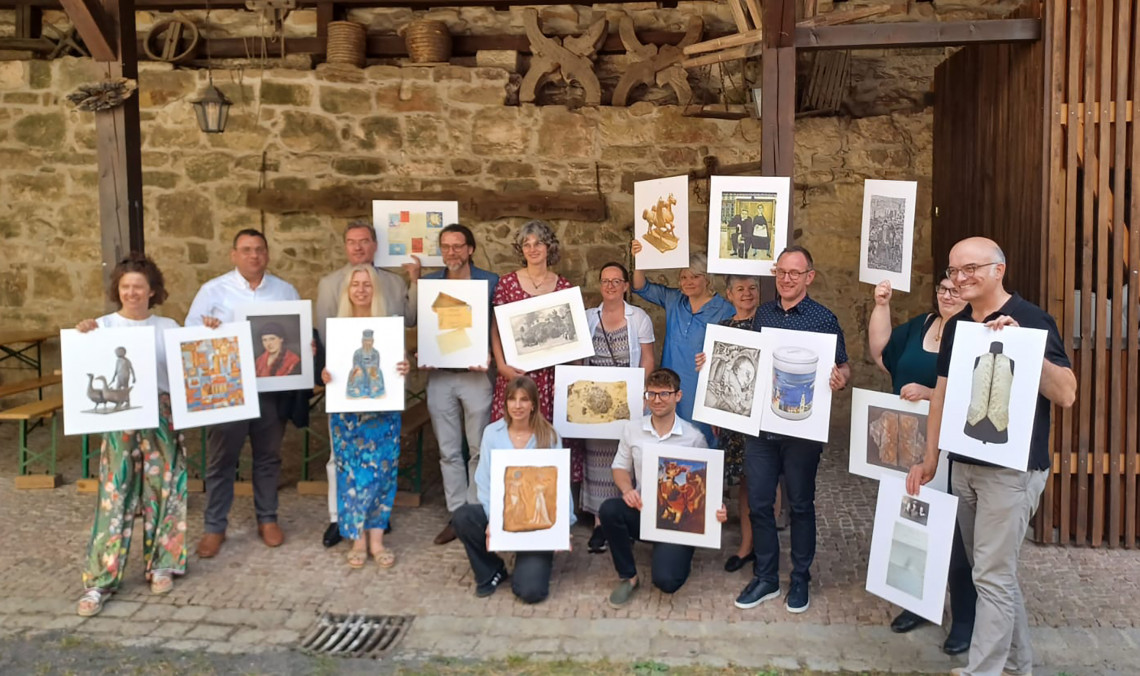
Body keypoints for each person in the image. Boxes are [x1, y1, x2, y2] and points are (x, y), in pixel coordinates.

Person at [907, 237, 1076, 676]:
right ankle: (1018, 665)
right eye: (953, 270)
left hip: (1011, 473)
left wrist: (1025, 347)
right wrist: (931, 458)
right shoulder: (958, 325)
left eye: (970, 269)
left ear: (998, 270)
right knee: (991, 573)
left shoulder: (1032, 319)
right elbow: (942, 395)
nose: (960, 278)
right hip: (964, 464)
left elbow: (1066, 394)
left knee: (991, 575)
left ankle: (982, 670)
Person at [734, 246, 849, 614]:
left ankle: (800, 578)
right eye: (781, 272)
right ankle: (766, 576)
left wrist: (840, 378)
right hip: (762, 428)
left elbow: (843, 366)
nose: (786, 279)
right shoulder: (763, 313)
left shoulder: (823, 318)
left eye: (795, 273)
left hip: (802, 430)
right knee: (760, 503)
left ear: (809, 277)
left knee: (800, 505)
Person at [869, 277, 977, 655]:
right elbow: (882, 353)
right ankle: (918, 602)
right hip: (909, 444)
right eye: (943, 289)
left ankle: (964, 617)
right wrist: (882, 304)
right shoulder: (921, 326)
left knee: (957, 535)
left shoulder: (975, 333)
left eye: (955, 290)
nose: (947, 295)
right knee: (914, 521)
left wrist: (930, 394)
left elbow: (976, 393)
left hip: (954, 447)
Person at [75, 254, 188, 617]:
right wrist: (82, 336)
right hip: (120, 419)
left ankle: (162, 564)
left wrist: (210, 332)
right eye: (125, 286)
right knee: (115, 491)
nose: (132, 292)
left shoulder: (168, 326)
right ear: (117, 289)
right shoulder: (102, 327)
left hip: (161, 414)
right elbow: (86, 362)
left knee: (166, 488)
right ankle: (101, 579)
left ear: (152, 290)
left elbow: (188, 367)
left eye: (139, 286)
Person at [185, 229, 300, 558]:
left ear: (267, 254)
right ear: (234, 255)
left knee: (268, 458)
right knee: (222, 460)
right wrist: (205, 329)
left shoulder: (285, 291)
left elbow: (297, 333)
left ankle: (267, 519)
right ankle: (214, 527)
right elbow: (190, 336)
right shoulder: (212, 291)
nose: (254, 255)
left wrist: (304, 347)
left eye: (259, 249)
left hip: (270, 390)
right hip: (228, 390)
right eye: (246, 250)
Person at [314, 219, 417, 548]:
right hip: (344, 390)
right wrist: (327, 371)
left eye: (364, 241)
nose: (358, 247)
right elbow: (325, 337)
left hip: (382, 392)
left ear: (374, 246)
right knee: (341, 459)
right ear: (345, 246)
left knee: (380, 459)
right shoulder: (329, 284)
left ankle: (374, 519)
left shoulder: (392, 283)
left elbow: (406, 325)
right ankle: (339, 518)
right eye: (351, 241)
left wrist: (401, 365)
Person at [405, 223, 499, 546]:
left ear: (470, 249)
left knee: (478, 447)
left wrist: (491, 355)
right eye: (445, 246)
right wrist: (424, 351)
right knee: (448, 450)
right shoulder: (430, 283)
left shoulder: (490, 282)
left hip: (477, 375)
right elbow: (419, 323)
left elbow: (498, 326)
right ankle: (458, 514)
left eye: (458, 246)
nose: (452, 252)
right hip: (440, 376)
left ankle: (476, 511)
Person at [601, 368, 727, 606]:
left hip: (678, 521)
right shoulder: (632, 430)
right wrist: (627, 490)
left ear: (678, 396)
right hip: (644, 510)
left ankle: (679, 550)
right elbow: (619, 467)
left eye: (664, 394)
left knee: (667, 582)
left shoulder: (694, 437)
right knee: (609, 510)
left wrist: (716, 509)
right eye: (651, 394)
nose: (657, 400)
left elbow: (707, 483)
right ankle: (629, 576)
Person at [452, 376, 570, 603]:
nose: (517, 405)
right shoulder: (492, 433)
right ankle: (491, 570)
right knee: (463, 517)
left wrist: (561, 528)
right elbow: (484, 480)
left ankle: (527, 562)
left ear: (533, 404)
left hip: (536, 519)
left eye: (524, 399)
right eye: (512, 399)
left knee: (531, 592)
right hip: (502, 510)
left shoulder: (549, 435)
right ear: (505, 403)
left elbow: (559, 485)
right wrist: (494, 520)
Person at [582, 262, 656, 554]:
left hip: (628, 399)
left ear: (626, 285)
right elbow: (578, 357)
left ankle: (626, 520)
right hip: (594, 401)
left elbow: (647, 358)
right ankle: (600, 523)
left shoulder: (639, 318)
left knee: (627, 457)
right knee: (598, 458)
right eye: (605, 281)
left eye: (616, 281)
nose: (610, 286)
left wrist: (641, 393)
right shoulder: (589, 317)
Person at [490, 220, 575, 471]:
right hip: (516, 374)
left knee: (545, 441)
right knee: (512, 438)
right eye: (526, 244)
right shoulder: (507, 284)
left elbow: (571, 337)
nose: (532, 249)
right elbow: (496, 329)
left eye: (538, 243)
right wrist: (501, 365)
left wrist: (568, 374)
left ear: (549, 247)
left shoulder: (564, 287)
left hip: (550, 378)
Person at [631, 243, 734, 446]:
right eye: (684, 277)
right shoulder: (674, 299)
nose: (688, 282)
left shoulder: (725, 310)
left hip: (702, 388)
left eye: (695, 277)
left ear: (707, 278)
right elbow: (641, 286)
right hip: (670, 384)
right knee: (670, 438)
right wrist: (639, 258)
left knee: (701, 440)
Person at [694, 274, 760, 572]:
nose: (747, 293)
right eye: (740, 289)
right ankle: (747, 545)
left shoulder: (769, 325)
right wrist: (704, 365)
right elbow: (715, 377)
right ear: (729, 295)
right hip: (734, 419)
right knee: (745, 481)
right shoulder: (722, 328)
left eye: (752, 288)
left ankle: (765, 546)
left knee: (768, 481)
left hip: (763, 420)